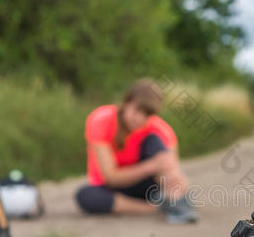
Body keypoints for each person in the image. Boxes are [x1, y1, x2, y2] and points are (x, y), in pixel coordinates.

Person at [75, 79, 198, 223]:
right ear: (127, 102)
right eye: (138, 110)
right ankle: (158, 207)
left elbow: (174, 173)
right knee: (85, 195)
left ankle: (177, 203)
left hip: (148, 187)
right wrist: (152, 166)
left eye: (147, 114)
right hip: (113, 188)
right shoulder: (101, 120)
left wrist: (177, 185)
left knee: (154, 141)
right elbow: (111, 178)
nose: (140, 119)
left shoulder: (161, 130)